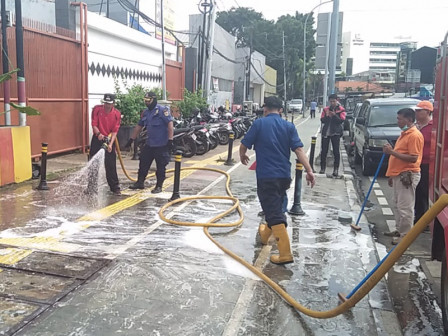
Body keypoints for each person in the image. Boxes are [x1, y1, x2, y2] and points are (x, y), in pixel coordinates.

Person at [239, 96, 316, 265]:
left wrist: (242, 154)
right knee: (273, 207)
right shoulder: (289, 126)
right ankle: (265, 236)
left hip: (267, 176)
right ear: (280, 110)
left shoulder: (259, 124)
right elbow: (299, 150)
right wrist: (309, 170)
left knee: (274, 213)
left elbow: (244, 144)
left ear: (265, 109)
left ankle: (285, 254)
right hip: (284, 176)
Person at [383, 108, 424, 245]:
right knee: (397, 204)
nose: (398, 121)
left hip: (407, 175)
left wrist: (392, 152)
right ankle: (399, 230)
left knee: (405, 207)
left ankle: (405, 236)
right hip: (398, 174)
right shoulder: (405, 134)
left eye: (400, 119)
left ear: (409, 120)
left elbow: (413, 158)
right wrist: (391, 174)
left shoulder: (414, 135)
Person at [126, 92, 174, 193]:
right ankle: (140, 182)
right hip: (150, 143)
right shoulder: (146, 113)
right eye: (145, 101)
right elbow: (139, 126)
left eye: (149, 101)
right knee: (143, 163)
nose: (147, 103)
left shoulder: (162, 110)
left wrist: (170, 140)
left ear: (154, 99)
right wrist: (131, 139)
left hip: (161, 144)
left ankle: (159, 186)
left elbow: (170, 124)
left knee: (160, 166)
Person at [87, 93, 121, 195]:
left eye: (109, 103)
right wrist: (98, 134)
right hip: (97, 138)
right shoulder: (97, 110)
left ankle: (115, 188)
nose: (107, 105)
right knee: (93, 163)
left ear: (113, 104)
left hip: (109, 138)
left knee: (110, 164)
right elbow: (94, 124)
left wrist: (110, 144)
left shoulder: (116, 114)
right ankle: (91, 187)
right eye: (106, 103)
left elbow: (115, 131)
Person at [414, 100, 433, 223]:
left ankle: (423, 220)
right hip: (416, 163)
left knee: (423, 192)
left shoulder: (433, 127)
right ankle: (418, 216)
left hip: (427, 164)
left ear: (427, 112)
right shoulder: (416, 127)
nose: (416, 113)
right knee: (416, 191)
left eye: (419, 111)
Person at [320, 94, 346, 177]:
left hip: (336, 133)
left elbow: (341, 121)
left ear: (337, 100)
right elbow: (322, 120)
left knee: (336, 152)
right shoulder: (325, 109)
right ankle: (322, 168)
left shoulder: (341, 110)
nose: (332, 103)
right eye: (331, 101)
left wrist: (334, 115)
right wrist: (327, 116)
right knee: (324, 151)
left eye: (334, 101)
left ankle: (336, 169)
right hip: (326, 132)